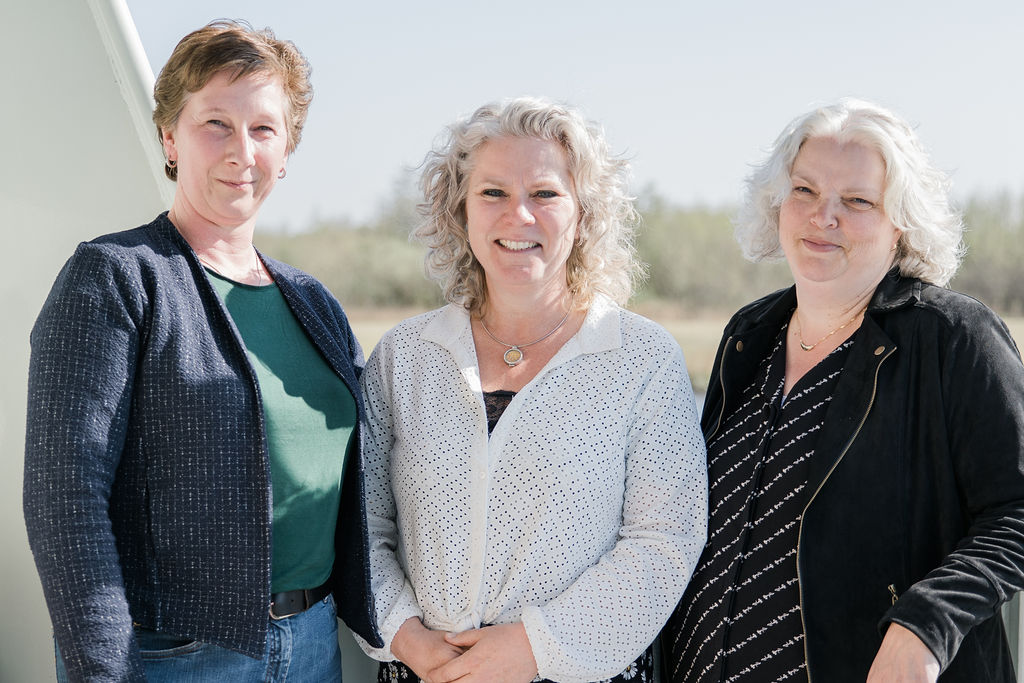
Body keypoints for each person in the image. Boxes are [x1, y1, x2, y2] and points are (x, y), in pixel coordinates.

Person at [24, 20, 381, 682]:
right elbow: (64, 494)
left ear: (287, 148)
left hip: (312, 644)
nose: (241, 150)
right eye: (216, 122)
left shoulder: (317, 302)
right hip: (173, 656)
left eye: (264, 129)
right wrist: (101, 670)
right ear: (170, 136)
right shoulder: (115, 275)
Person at [661, 98, 1024, 682]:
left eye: (857, 201)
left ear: (899, 220)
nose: (822, 217)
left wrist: (925, 624)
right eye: (804, 191)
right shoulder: (747, 337)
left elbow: (1016, 510)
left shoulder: (954, 339)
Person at [356, 97, 708, 682]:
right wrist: (407, 636)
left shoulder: (642, 358)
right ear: (460, 211)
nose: (518, 216)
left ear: (583, 213)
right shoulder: (404, 355)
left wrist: (532, 649)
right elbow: (363, 527)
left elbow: (664, 538)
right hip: (423, 673)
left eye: (544, 194)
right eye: (493, 193)